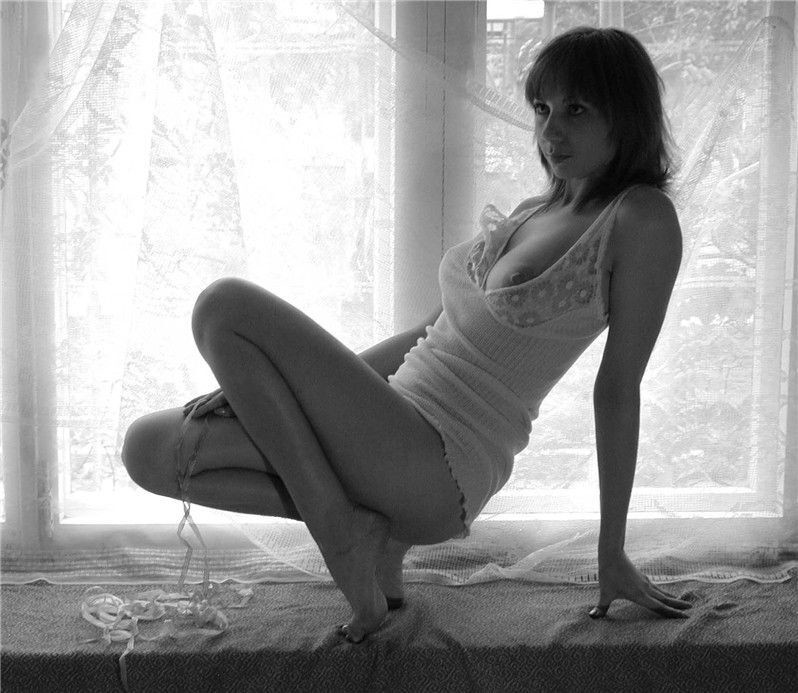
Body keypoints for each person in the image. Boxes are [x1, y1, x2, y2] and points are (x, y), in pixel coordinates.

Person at [121, 26, 692, 644]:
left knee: (222, 306)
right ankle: (366, 534)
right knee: (150, 449)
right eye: (542, 108)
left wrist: (611, 551)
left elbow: (618, 390)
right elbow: (427, 334)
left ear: (624, 115)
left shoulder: (639, 217)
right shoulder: (534, 210)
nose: (550, 131)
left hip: (441, 462)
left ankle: (337, 534)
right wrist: (262, 388)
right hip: (388, 432)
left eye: (576, 110)